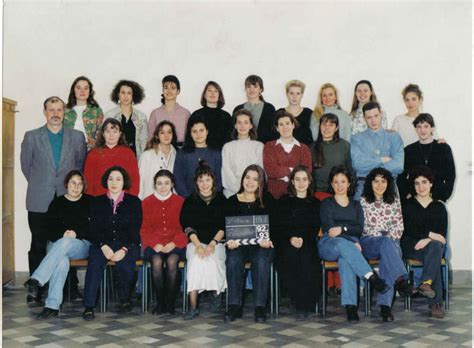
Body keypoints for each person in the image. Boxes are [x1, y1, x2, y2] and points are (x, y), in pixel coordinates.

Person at [21, 96, 87, 304]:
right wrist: (43, 183)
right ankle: (35, 291)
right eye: (51, 110)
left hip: (67, 199)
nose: (56, 114)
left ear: (64, 112)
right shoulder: (31, 136)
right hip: (39, 198)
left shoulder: (76, 137)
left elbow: (79, 165)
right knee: (39, 243)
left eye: (59, 110)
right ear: (45, 112)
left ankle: (71, 289)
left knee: (66, 241)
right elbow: (26, 167)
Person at [318, 165, 389, 323]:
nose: (339, 185)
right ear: (331, 184)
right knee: (345, 247)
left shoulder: (356, 205)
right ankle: (371, 277)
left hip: (350, 247)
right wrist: (350, 239)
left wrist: (343, 228)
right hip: (329, 245)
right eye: (335, 182)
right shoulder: (326, 203)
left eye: (343, 181)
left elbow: (359, 228)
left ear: (349, 183)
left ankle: (351, 307)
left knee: (346, 260)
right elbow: (330, 230)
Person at [23, 171, 92, 319]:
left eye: (80, 183)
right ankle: (52, 306)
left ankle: (37, 279)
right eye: (73, 183)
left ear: (83, 186)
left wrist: (76, 234)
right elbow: (48, 228)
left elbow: (93, 227)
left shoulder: (89, 202)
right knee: (61, 261)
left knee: (65, 243)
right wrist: (63, 234)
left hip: (81, 245)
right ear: (66, 184)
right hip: (58, 245)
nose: (76, 186)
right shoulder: (57, 202)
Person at [82, 166, 142, 321]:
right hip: (102, 243)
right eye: (110, 179)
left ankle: (125, 299)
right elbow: (93, 228)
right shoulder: (97, 202)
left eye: (118, 179)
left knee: (126, 264)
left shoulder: (134, 202)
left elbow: (135, 230)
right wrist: (103, 245)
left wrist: (124, 249)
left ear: (124, 182)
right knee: (94, 263)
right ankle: (89, 306)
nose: (114, 182)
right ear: (105, 181)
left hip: (127, 243)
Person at [359, 167, 415, 322]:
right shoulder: (363, 201)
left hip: (390, 243)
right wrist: (385, 234)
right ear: (370, 183)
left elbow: (399, 227)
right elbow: (366, 228)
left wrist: (386, 236)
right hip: (369, 243)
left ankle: (385, 308)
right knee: (388, 245)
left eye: (383, 181)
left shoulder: (394, 201)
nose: (379, 185)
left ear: (388, 183)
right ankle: (401, 280)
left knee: (388, 255)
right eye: (376, 181)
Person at [225, 164, 275, 323]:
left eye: (255, 179)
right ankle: (234, 305)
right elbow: (226, 227)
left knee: (261, 261)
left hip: (262, 246)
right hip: (238, 246)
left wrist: (269, 240)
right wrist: (229, 240)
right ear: (242, 179)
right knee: (233, 259)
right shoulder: (232, 201)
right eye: (247, 177)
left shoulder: (268, 200)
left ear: (261, 182)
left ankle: (260, 307)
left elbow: (276, 225)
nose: (250, 182)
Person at [179, 164, 227, 320]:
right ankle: (193, 306)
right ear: (196, 182)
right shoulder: (190, 201)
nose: (205, 184)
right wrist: (198, 246)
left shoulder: (221, 199)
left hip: (217, 242)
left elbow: (224, 226)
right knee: (195, 262)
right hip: (195, 241)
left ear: (213, 180)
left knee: (213, 259)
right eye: (201, 180)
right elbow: (187, 226)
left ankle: (216, 293)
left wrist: (213, 244)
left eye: (208, 180)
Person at [401, 166, 447, 319]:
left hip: (430, 245)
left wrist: (427, 238)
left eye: (424, 182)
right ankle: (435, 303)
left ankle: (426, 283)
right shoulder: (408, 205)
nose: (421, 187)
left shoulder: (439, 207)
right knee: (435, 253)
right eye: (417, 183)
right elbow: (408, 229)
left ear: (431, 184)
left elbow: (442, 236)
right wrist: (431, 235)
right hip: (411, 244)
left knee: (435, 249)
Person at [277, 165, 321, 320]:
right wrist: (291, 238)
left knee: (307, 258)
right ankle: (297, 300)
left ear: (309, 181)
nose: (301, 183)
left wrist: (303, 239)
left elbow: (315, 227)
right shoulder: (283, 201)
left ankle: (306, 302)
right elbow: (279, 226)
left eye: (304, 179)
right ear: (292, 182)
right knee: (290, 256)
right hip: (286, 241)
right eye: (297, 179)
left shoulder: (316, 203)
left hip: (307, 241)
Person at [140, 170, 187, 315]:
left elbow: (185, 228)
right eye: (159, 183)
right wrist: (155, 243)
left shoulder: (181, 201)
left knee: (172, 261)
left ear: (172, 184)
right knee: (156, 262)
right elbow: (144, 229)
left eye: (167, 183)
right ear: (154, 185)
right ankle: (160, 302)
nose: (163, 187)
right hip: (154, 243)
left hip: (175, 243)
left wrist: (174, 243)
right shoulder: (146, 202)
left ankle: (170, 302)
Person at [351, 102, 404, 200]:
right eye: (369, 117)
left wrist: (369, 164)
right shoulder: (357, 138)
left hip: (388, 187)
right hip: (363, 187)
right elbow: (357, 165)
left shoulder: (393, 137)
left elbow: (398, 166)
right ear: (364, 118)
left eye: (376, 116)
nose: (373, 120)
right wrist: (381, 160)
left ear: (381, 114)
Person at [397, 113, 455, 202]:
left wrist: (444, 196)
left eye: (426, 126)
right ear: (415, 129)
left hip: (437, 198)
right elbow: (401, 176)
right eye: (419, 126)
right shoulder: (408, 150)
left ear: (432, 128)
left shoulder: (443, 148)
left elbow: (451, 175)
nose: (422, 130)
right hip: (414, 198)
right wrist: (406, 194)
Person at [84, 118, 139, 196]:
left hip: (123, 200)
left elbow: (134, 180)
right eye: (108, 131)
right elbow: (88, 182)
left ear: (120, 134)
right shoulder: (93, 154)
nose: (111, 135)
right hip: (99, 199)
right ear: (103, 134)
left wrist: (131, 199)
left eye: (115, 132)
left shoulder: (128, 153)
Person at [263, 110, 312, 199]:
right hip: (274, 195)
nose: (285, 127)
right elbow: (270, 170)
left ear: (293, 125)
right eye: (281, 125)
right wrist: (292, 170)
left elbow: (306, 172)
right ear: (277, 128)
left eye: (287, 123)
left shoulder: (304, 149)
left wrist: (282, 175)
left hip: (297, 195)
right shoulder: (269, 146)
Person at [174, 117, 222, 197]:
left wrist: (211, 199)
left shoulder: (216, 153)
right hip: (188, 200)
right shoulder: (182, 153)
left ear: (207, 131)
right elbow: (178, 179)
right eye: (194, 131)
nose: (198, 134)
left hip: (211, 201)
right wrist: (189, 200)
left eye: (201, 130)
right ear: (190, 133)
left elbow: (219, 180)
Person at [221, 109, 264, 198]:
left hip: (253, 193)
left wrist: (249, 191)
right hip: (232, 194)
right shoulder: (227, 147)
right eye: (239, 123)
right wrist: (240, 192)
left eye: (246, 122)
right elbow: (227, 173)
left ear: (251, 125)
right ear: (235, 126)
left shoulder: (259, 146)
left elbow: (261, 171)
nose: (242, 126)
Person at [311, 113, 352, 201]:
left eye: (331, 125)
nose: (327, 128)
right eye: (324, 124)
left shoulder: (345, 145)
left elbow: (351, 171)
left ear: (336, 128)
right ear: (320, 126)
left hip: (340, 193)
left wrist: (349, 193)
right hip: (318, 195)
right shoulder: (312, 147)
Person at [105, 80, 147, 158]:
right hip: (113, 157)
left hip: (134, 159)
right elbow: (104, 140)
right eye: (123, 92)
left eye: (129, 93)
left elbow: (143, 142)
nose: (126, 96)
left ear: (133, 96)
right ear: (118, 95)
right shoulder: (109, 116)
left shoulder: (141, 117)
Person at [188, 81, 233, 150]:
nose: (212, 93)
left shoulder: (226, 116)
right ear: (204, 95)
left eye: (216, 91)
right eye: (209, 90)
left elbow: (230, 140)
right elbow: (189, 138)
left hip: (221, 155)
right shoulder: (196, 114)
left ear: (219, 96)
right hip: (200, 153)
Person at [139, 121, 178, 199]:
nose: (166, 135)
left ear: (173, 135)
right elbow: (140, 181)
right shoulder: (146, 155)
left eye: (169, 132)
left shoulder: (177, 155)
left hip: (170, 201)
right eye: (162, 132)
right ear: (157, 135)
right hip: (149, 199)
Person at [148, 75, 190, 147]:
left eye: (173, 88)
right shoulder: (155, 113)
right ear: (163, 90)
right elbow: (150, 138)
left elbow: (190, 137)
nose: (169, 91)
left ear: (178, 91)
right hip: (160, 151)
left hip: (181, 151)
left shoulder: (186, 113)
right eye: (166, 88)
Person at [233, 75, 277, 143]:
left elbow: (273, 132)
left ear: (260, 89)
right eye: (248, 86)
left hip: (263, 148)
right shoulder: (238, 109)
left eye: (255, 87)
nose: (251, 89)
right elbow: (234, 132)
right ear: (245, 89)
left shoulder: (269, 108)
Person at [64, 76, 104, 150]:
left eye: (86, 88)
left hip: (90, 150)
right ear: (73, 90)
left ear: (90, 91)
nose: (82, 91)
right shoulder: (64, 110)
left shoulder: (97, 111)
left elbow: (101, 133)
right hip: (68, 150)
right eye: (79, 88)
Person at [276, 80, 313, 145]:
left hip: (305, 152)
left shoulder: (309, 113)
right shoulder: (278, 113)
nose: (294, 97)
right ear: (287, 94)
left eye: (298, 93)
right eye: (291, 93)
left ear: (302, 95)